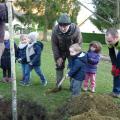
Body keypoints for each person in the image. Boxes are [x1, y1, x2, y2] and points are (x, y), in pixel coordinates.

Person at [51, 13, 83, 89]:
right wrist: (58, 57)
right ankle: (58, 85)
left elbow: (78, 44)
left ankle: (72, 86)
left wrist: (74, 56)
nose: (62, 28)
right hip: (60, 51)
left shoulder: (76, 30)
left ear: (69, 24)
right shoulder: (55, 30)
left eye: (65, 26)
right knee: (59, 66)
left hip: (73, 52)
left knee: (73, 68)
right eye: (61, 26)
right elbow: (54, 45)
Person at [105, 28, 120, 98]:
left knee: (118, 71)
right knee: (116, 72)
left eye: (110, 41)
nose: (108, 42)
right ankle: (116, 92)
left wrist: (118, 67)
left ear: (116, 38)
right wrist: (114, 65)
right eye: (107, 41)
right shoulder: (108, 39)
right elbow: (112, 53)